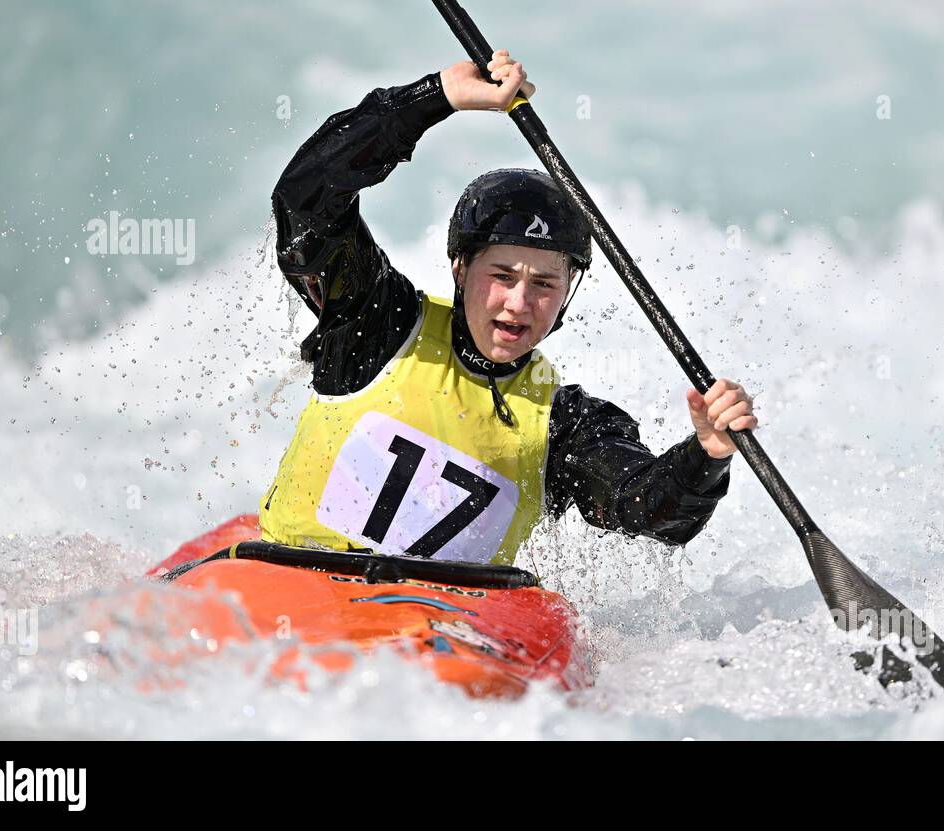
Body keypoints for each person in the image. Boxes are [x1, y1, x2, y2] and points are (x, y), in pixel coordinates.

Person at [261, 50, 758, 565]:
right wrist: (435, 98)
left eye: (544, 282)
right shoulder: (377, 323)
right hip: (299, 584)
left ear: (568, 291)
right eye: (501, 276)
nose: (519, 304)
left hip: (445, 625)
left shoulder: (564, 423)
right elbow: (307, 199)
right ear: (460, 268)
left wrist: (707, 453)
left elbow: (648, 509)